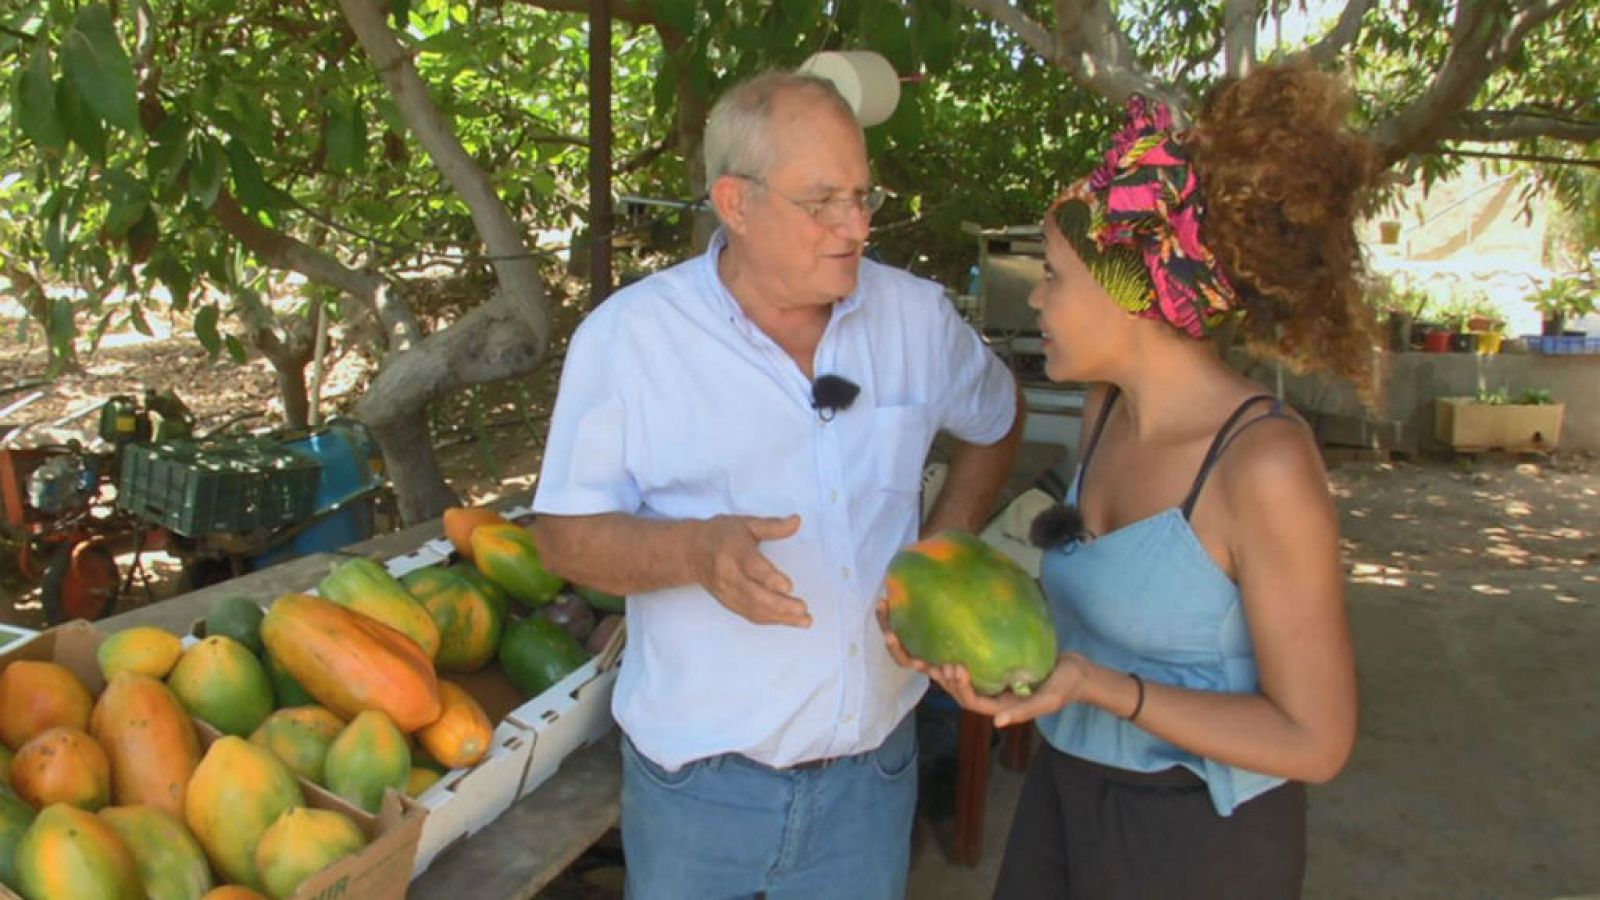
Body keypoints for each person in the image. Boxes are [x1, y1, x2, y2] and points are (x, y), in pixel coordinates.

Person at [882, 60, 1373, 898]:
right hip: (1067, 791)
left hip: (1197, 835)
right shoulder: (1105, 411)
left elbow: (1316, 740)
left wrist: (1101, 687)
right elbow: (1097, 611)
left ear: (1136, 295)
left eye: (1053, 277)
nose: (1036, 300)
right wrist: (972, 641)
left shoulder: (1264, 466)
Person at [530, 70, 1025, 899]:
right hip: (699, 791)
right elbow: (564, 536)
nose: (856, 227)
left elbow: (997, 421)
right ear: (737, 203)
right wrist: (695, 551)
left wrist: (942, 543)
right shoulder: (632, 340)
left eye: (864, 197)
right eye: (823, 201)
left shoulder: (915, 320)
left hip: (873, 777)